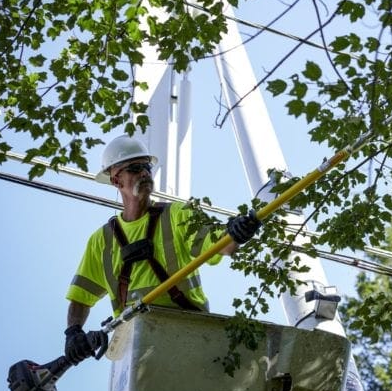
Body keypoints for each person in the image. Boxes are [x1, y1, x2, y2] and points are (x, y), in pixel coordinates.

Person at [63, 135, 262, 364]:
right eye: (135, 168)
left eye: (147, 166)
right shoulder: (102, 241)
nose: (145, 173)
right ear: (116, 180)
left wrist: (236, 233)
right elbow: (80, 298)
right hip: (134, 345)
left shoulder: (177, 215)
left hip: (188, 330)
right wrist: (73, 332)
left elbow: (220, 245)